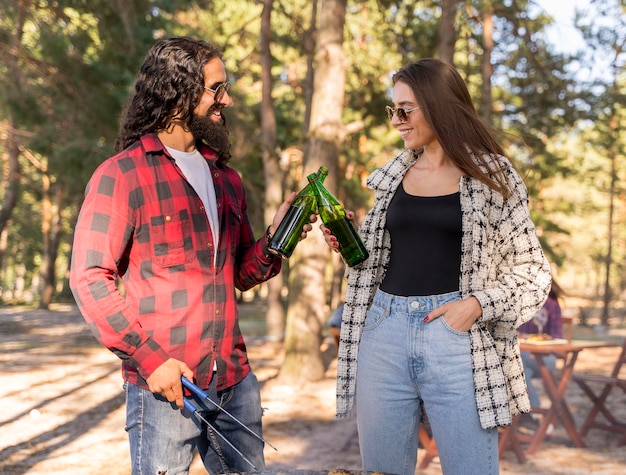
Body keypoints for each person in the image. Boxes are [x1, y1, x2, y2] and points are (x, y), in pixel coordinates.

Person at [69, 36, 314, 475]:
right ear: (178, 91)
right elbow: (90, 277)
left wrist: (277, 238)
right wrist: (150, 360)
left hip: (233, 381)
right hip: (166, 386)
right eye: (216, 88)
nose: (228, 99)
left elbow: (239, 271)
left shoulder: (226, 178)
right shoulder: (122, 175)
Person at [321, 58, 551, 475]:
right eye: (393, 110)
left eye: (405, 110)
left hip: (455, 338)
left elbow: (533, 272)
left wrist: (475, 306)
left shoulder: (494, 176)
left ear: (438, 105)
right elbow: (386, 264)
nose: (397, 121)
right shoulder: (392, 178)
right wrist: (351, 248)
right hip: (383, 334)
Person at [519, 279, 564, 409]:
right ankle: (535, 411)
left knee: (515, 363)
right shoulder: (522, 303)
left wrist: (540, 346)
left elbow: (557, 339)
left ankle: (533, 411)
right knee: (520, 368)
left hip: (546, 358)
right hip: (524, 357)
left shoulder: (551, 305)